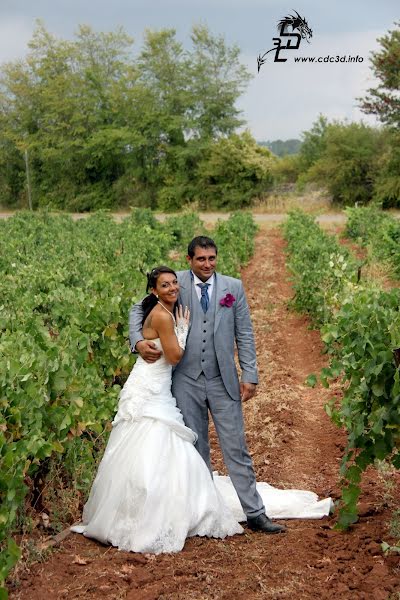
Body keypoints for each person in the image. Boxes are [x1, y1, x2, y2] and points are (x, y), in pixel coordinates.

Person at [129, 237, 332, 534]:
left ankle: (255, 513)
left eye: (212, 258)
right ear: (189, 260)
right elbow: (139, 309)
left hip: (223, 380)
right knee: (195, 448)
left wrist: (250, 373)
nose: (207, 264)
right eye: (201, 259)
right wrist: (137, 341)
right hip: (185, 381)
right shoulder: (174, 283)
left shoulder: (233, 287)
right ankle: (203, 513)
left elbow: (245, 333)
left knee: (236, 448)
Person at [71, 266, 244, 553]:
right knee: (153, 439)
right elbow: (174, 356)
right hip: (152, 385)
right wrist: (183, 330)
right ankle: (152, 512)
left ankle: (136, 509)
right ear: (154, 290)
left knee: (147, 441)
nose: (173, 288)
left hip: (154, 382)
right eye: (165, 285)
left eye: (174, 283)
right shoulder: (163, 315)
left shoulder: (165, 306)